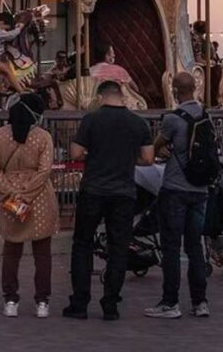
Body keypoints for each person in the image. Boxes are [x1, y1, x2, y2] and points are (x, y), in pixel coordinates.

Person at [63, 79, 154, 321]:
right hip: (124, 191)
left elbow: (75, 153)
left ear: (101, 96)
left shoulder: (91, 120)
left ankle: (80, 303)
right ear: (122, 96)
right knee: (118, 248)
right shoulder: (138, 123)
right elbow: (148, 159)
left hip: (93, 188)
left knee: (82, 244)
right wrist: (127, 159)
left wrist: (94, 154)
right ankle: (111, 303)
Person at [144, 71, 210, 319]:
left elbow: (156, 146)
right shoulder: (206, 116)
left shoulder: (173, 119)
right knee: (195, 247)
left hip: (176, 188)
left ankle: (170, 302)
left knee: (171, 246)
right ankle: (200, 301)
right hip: (200, 189)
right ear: (195, 88)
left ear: (173, 90)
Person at [0, 92, 58, 319]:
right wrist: (27, 194)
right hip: (38, 198)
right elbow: (44, 170)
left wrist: (11, 193)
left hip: (10, 198)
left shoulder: (0, 135)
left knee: (11, 251)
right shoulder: (43, 136)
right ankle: (42, 301)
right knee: (42, 253)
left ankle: (10, 299)